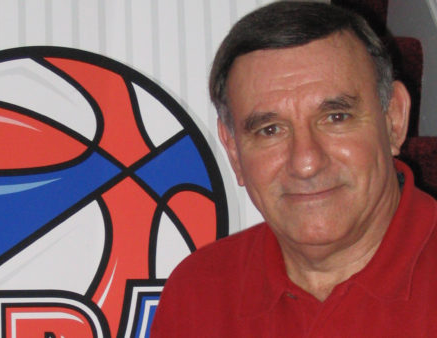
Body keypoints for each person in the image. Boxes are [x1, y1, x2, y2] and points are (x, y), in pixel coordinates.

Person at [150, 1, 437, 336]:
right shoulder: (198, 292)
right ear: (233, 152)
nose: (306, 162)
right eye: (269, 130)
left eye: (335, 117)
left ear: (394, 121)